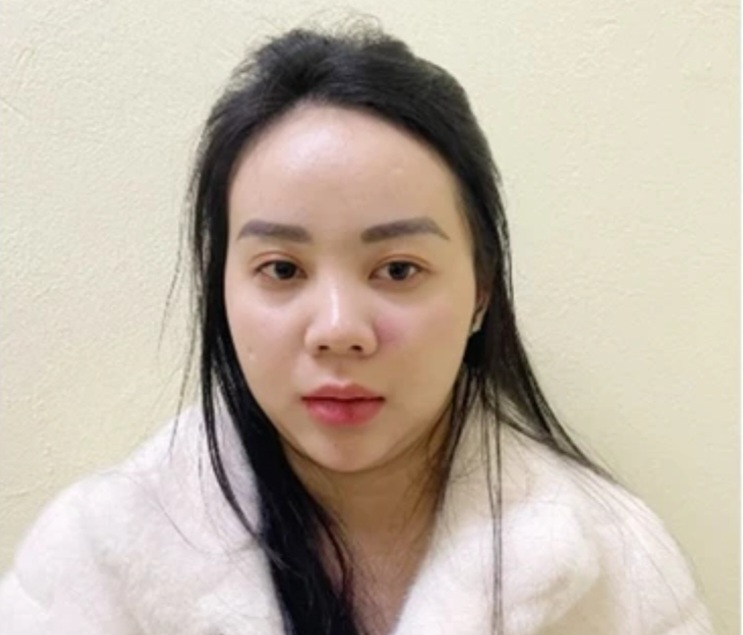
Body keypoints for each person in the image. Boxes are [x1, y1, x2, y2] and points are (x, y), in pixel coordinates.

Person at [0, 24, 713, 635]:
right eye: (282, 269)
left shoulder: (619, 570)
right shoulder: (92, 565)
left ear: (480, 291)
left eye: (398, 269)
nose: (339, 330)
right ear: (222, 290)